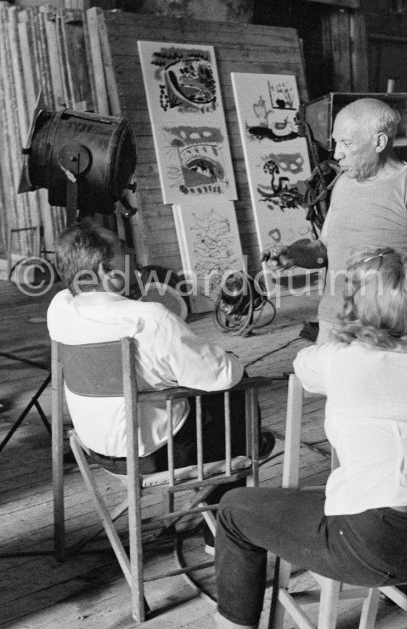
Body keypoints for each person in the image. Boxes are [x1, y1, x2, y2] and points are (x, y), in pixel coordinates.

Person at [178, 247, 407, 629]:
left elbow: (303, 366)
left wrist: (336, 323)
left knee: (235, 510)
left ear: (357, 304)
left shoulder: (341, 358)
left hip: (370, 540)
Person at [47, 220, 273, 549]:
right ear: (105, 270)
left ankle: (231, 484)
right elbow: (223, 375)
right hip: (154, 457)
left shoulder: (59, 308)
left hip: (97, 451)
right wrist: (226, 358)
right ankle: (221, 534)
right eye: (127, 255)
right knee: (237, 390)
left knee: (195, 391)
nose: (137, 263)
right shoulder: (150, 318)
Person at [263, 97, 407, 343]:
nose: (337, 153)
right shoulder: (343, 183)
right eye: (335, 143)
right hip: (332, 324)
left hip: (388, 334)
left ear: (379, 142)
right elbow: (323, 249)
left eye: (346, 143)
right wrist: (293, 255)